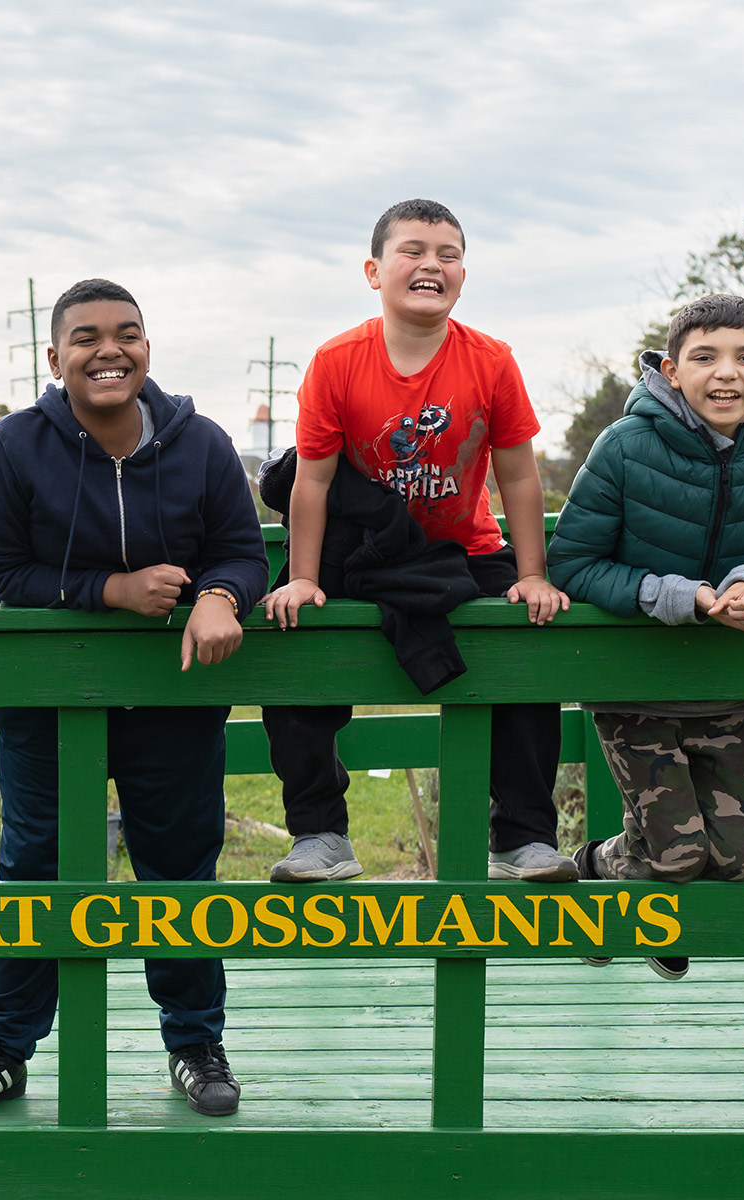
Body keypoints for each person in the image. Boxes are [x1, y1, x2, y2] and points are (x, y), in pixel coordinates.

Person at [0, 278, 267, 1121]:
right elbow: (4, 572)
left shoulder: (203, 444)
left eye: (126, 333)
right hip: (47, 702)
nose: (108, 349)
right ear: (56, 360)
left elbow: (241, 548)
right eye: (86, 338)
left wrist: (221, 595)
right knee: (34, 869)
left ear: (148, 348)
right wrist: (112, 589)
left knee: (181, 869)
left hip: (175, 700)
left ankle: (195, 1041)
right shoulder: (14, 447)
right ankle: (3, 1046)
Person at [261, 198, 573, 885]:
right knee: (292, 639)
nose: (432, 263)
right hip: (363, 546)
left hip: (464, 546)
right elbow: (310, 482)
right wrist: (304, 577)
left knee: (526, 642)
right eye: (413, 250)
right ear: (374, 271)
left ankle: (521, 836)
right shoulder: (338, 361)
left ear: (463, 274)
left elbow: (517, 475)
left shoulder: (491, 361)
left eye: (449, 253)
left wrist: (532, 574)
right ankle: (320, 833)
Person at [548, 294, 744, 980]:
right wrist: (679, 597)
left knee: (736, 862)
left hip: (733, 689)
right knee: (674, 857)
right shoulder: (626, 445)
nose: (725, 373)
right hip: (636, 688)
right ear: (672, 371)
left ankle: (609, 868)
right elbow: (575, 564)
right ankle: (599, 873)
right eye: (704, 357)